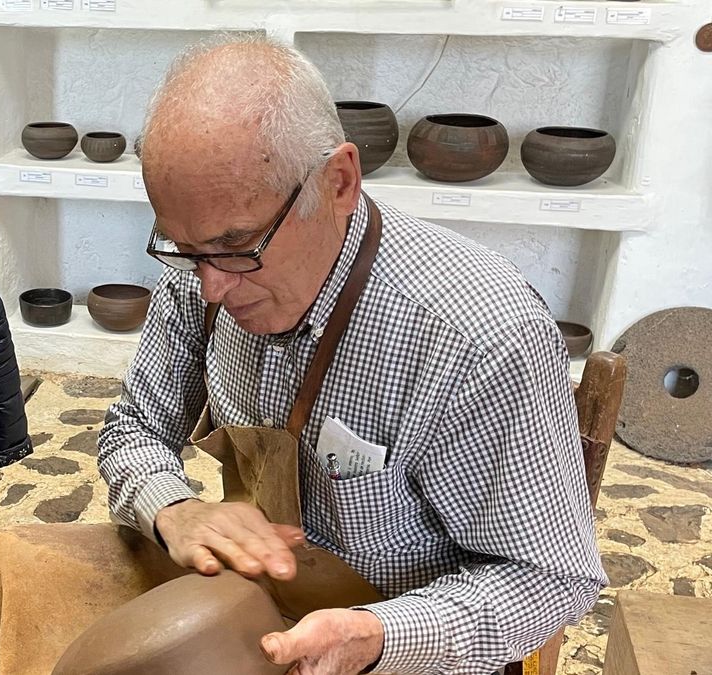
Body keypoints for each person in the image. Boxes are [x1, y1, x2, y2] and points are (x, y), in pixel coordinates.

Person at [97, 36, 606, 673]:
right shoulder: (202, 267)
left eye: (237, 247)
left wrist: (376, 635)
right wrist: (174, 507)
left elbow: (549, 580)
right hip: (254, 607)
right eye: (182, 247)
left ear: (338, 182)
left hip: (408, 640)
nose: (212, 286)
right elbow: (133, 429)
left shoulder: (479, 335)